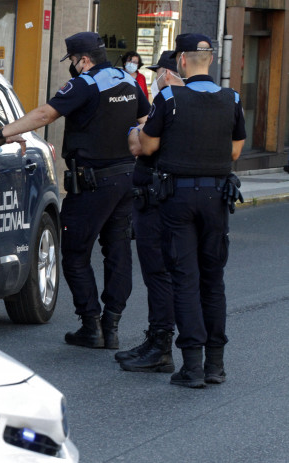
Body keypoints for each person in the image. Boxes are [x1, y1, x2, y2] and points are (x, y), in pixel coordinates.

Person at [0, 32, 150, 350]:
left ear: (83, 59)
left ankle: (91, 325)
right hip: (125, 179)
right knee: (117, 252)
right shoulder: (127, 80)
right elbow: (146, 119)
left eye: (73, 61)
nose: (73, 67)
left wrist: (0, 133)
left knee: (76, 254)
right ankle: (112, 326)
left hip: (92, 182)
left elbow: (45, 114)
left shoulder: (85, 84)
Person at [134, 33, 246, 388]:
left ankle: (192, 367)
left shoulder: (168, 96)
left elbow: (149, 145)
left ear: (181, 61)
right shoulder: (232, 98)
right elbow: (234, 152)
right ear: (210, 59)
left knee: (185, 279)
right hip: (217, 198)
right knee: (213, 281)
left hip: (178, 198)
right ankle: (216, 365)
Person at [117, 51, 183, 373]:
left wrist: (132, 130)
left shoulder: (167, 102)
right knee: (166, 274)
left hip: (156, 202)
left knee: (158, 274)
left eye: (158, 71)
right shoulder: (194, 103)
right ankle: (157, 340)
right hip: (170, 201)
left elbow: (139, 145)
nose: (155, 77)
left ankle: (160, 347)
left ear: (167, 73)